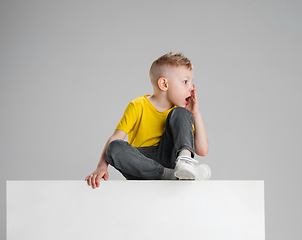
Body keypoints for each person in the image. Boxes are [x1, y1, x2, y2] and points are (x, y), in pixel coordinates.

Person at [85, 52, 211, 189]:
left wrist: (195, 113)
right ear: (164, 84)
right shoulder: (138, 105)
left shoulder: (180, 113)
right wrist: (101, 167)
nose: (192, 87)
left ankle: (185, 164)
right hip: (141, 163)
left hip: (170, 157)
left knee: (180, 113)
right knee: (115, 147)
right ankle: (171, 175)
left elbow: (202, 150)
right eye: (185, 82)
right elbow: (116, 138)